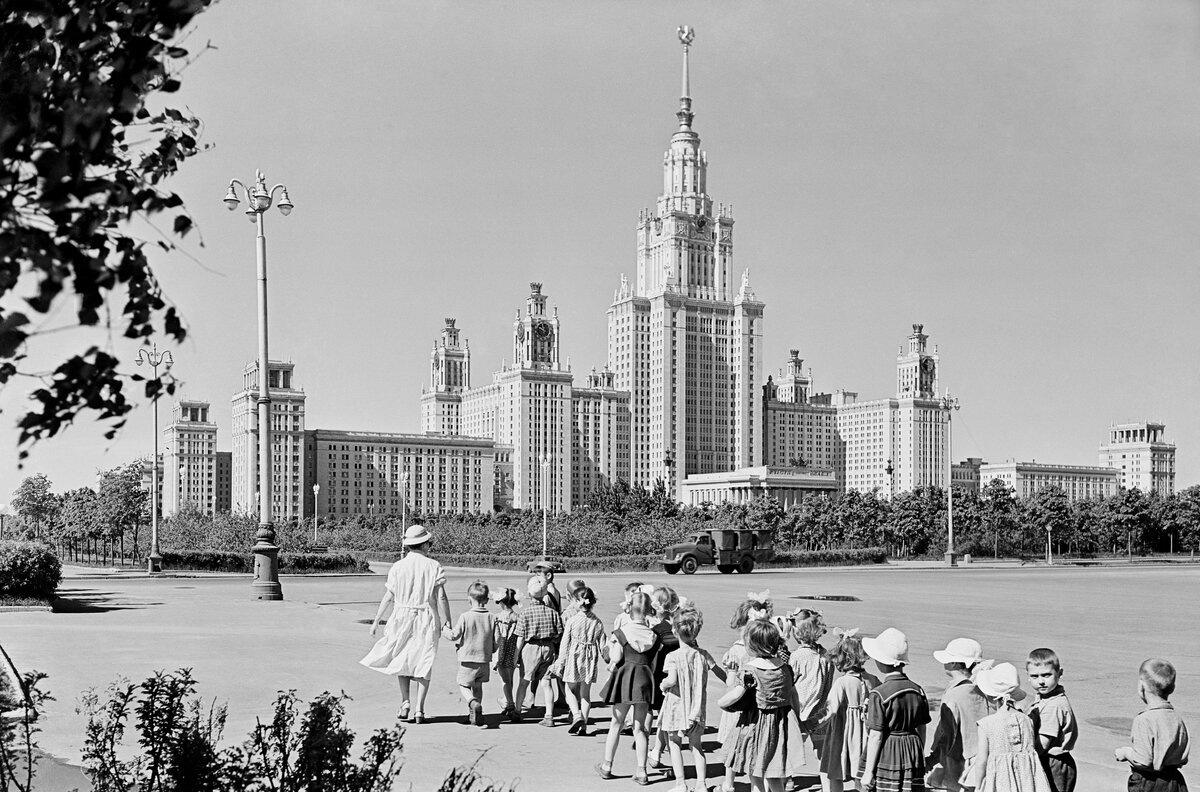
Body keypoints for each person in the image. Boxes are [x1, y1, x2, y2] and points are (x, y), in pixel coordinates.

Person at [360, 524, 451, 724]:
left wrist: (376, 620)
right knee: (424, 661)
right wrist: (447, 622)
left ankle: (405, 702)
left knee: (402, 659)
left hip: (401, 616)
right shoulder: (433, 565)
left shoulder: (398, 566)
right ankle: (419, 709)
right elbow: (441, 597)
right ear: (424, 544)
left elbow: (388, 596)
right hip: (426, 617)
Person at [722, 619, 805, 792]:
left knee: (755, 771)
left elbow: (737, 694)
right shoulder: (785, 668)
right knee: (773, 774)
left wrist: (722, 703)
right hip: (780, 724)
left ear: (753, 645)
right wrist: (797, 717)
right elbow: (793, 695)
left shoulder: (750, 670)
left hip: (756, 724)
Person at [596, 591, 662, 785]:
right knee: (640, 727)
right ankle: (641, 770)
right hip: (644, 679)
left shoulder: (622, 632)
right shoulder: (653, 636)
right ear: (649, 610)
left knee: (616, 722)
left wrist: (610, 665)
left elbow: (615, 657)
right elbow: (654, 665)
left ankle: (607, 765)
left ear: (629, 609)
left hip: (624, 678)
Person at [658, 605, 726, 792]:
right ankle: (701, 783)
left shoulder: (672, 657)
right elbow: (719, 672)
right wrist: (731, 680)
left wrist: (663, 685)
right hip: (696, 709)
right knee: (696, 746)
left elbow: (671, 680)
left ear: (674, 630)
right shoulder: (703, 655)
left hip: (676, 708)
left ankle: (681, 783)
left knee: (674, 743)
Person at [859, 627, 931, 792]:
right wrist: (919, 754)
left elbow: (876, 735)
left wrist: (868, 772)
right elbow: (922, 728)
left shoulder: (879, 694)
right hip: (913, 748)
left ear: (881, 662)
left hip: (889, 748)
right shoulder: (917, 690)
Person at [718, 596, 774, 792]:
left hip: (737, 704)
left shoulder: (736, 649)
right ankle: (763, 784)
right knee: (757, 749)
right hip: (758, 706)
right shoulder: (766, 651)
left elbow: (731, 683)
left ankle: (728, 784)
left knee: (732, 746)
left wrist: (730, 673)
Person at [927, 638, 995, 792]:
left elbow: (945, 734)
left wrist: (932, 760)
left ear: (953, 664)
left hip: (955, 761)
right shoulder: (982, 690)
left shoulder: (953, 695)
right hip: (979, 760)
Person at [1114, 658, 1190, 792]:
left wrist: (1126, 753)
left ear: (1142, 686)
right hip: (1174, 781)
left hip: (1149, 783)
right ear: (1172, 688)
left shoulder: (1144, 719)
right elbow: (1182, 756)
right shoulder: (1177, 718)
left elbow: (1143, 761)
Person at [818, 629, 880, 792]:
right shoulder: (872, 680)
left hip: (842, 734)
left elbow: (830, 710)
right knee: (861, 776)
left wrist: (812, 723)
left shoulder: (842, 682)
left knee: (836, 774)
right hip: (865, 735)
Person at [973, 662, 1050, 792]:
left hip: (999, 783)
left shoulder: (986, 724)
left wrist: (978, 785)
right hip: (1027, 781)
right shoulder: (1027, 720)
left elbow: (982, 761)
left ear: (991, 696)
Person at [788, 607, 834, 789]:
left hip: (800, 711)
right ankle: (828, 784)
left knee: (791, 748)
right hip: (821, 712)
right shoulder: (826, 656)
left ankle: (788, 780)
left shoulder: (797, 657)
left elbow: (789, 683)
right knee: (822, 753)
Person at [442, 579, 495, 727]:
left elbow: (454, 635)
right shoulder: (492, 617)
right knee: (478, 686)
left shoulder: (465, 616)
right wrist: (492, 650)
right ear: (486, 600)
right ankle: (474, 714)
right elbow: (497, 639)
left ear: (469, 599)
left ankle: (472, 703)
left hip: (468, 658)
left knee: (463, 684)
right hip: (484, 659)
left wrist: (445, 629)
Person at [512, 576, 564, 726]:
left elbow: (520, 638)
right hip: (549, 648)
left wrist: (516, 656)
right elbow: (559, 634)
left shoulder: (525, 613)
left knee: (524, 682)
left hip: (530, 649)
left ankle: (517, 711)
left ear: (529, 594)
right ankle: (549, 716)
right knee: (546, 683)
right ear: (545, 594)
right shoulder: (553, 613)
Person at [1024, 648, 1078, 792]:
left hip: (1053, 763)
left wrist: (1025, 760)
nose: (1041, 681)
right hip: (1048, 760)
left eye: (1046, 675)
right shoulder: (1045, 698)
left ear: (1059, 673)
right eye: (1035, 676)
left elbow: (1043, 743)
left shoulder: (1053, 706)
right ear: (1028, 676)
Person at [557, 585, 606, 736]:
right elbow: (603, 646)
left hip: (574, 657)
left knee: (569, 689)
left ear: (578, 602)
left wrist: (561, 662)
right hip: (590, 659)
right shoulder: (598, 623)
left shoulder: (572, 621)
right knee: (585, 694)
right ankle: (583, 726)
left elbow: (565, 644)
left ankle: (576, 715)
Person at [649, 586, 683, 777]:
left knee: (666, 719)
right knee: (665, 718)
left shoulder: (657, 629)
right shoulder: (682, 626)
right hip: (680, 678)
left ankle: (661, 755)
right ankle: (656, 752)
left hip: (663, 678)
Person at [492, 587, 520, 719]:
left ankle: (510, 704)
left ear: (501, 603)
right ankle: (508, 700)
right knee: (510, 678)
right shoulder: (518, 617)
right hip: (513, 649)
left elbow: (496, 637)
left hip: (501, 649)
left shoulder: (497, 618)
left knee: (504, 680)